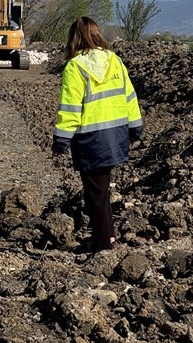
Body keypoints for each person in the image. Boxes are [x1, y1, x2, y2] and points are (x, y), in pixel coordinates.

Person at [51, 16, 143, 252]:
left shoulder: (75, 67)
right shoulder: (115, 61)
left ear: (74, 38)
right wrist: (136, 128)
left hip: (91, 140)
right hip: (116, 136)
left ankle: (104, 242)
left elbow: (70, 107)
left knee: (96, 194)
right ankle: (106, 237)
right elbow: (130, 97)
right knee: (100, 191)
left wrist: (61, 140)